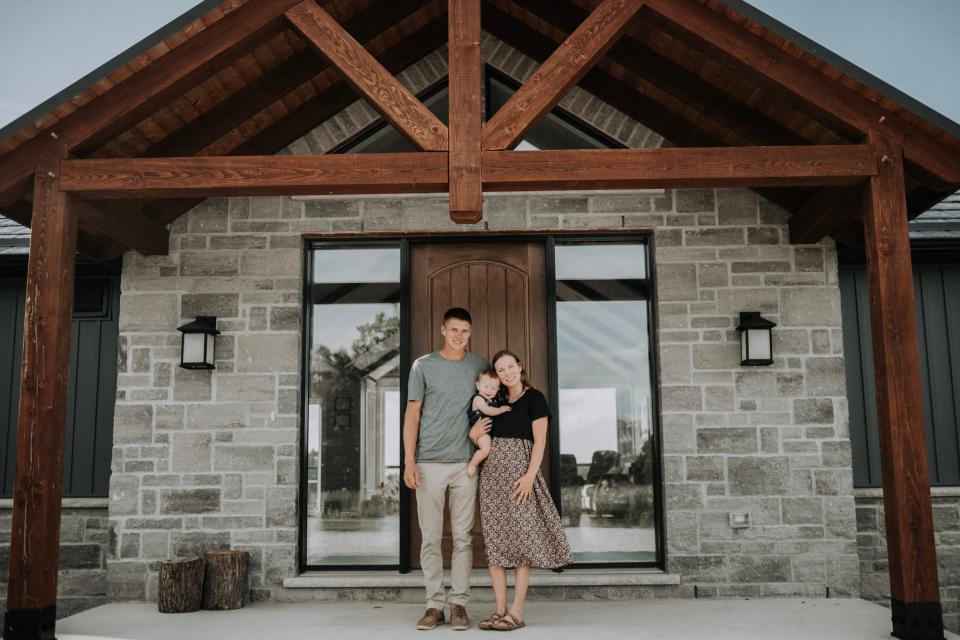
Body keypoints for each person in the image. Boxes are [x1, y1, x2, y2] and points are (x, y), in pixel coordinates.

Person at [470, 349, 572, 631]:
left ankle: (517, 611)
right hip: (491, 478)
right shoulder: (496, 400)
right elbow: (478, 432)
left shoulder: (534, 398)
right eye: (500, 370)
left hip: (519, 478)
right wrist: (472, 435)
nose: (506, 373)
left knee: (522, 543)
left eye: (510, 367)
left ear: (520, 367)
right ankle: (500, 609)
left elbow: (539, 443)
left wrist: (529, 477)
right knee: (496, 544)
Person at [403, 307, 488, 631]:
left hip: (465, 464)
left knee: (463, 538)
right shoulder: (424, 366)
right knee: (430, 539)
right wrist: (410, 460)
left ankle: (460, 605)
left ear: (470, 333)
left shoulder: (479, 365)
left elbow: (492, 404)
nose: (459, 336)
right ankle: (433, 605)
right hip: (428, 463)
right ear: (442, 330)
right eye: (454, 330)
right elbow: (413, 415)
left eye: (465, 331)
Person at [466, 369, 511, 478]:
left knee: (490, 450)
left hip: (490, 432)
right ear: (478, 385)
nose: (489, 390)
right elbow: (487, 410)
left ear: (498, 389)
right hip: (482, 432)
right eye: (486, 387)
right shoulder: (478, 399)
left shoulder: (493, 401)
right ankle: (472, 464)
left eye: (493, 388)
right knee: (485, 449)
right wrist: (501, 409)